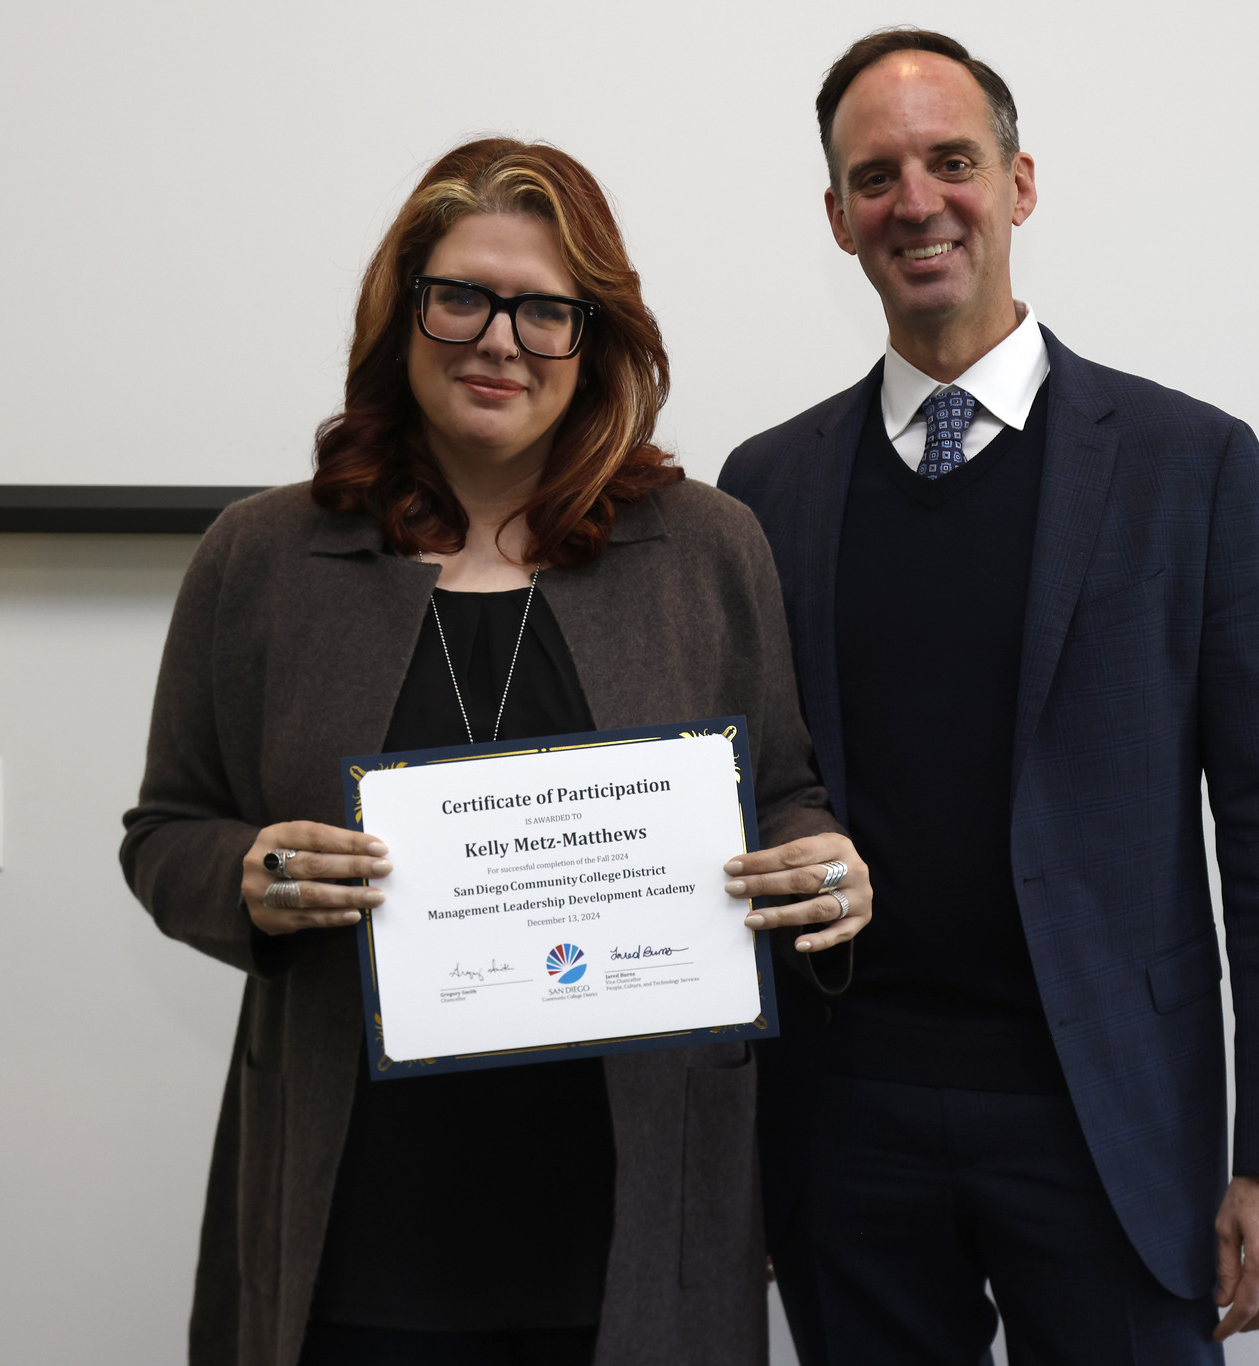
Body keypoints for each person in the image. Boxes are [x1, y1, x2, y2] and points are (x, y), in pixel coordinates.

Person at [122, 138, 873, 1366]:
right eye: (461, 295)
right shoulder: (261, 559)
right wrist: (246, 876)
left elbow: (780, 792)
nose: (499, 340)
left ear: (599, 337)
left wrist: (818, 865)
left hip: (625, 1220)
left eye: (544, 310)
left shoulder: (704, 547)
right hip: (360, 1219)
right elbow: (166, 833)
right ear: (401, 309)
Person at [717, 30, 1259, 1366]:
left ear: (1019, 182)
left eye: (953, 161)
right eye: (875, 175)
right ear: (837, 218)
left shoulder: (1189, 463)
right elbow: (746, 805)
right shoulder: (764, 487)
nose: (918, 201)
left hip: (1107, 1113)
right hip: (847, 1117)